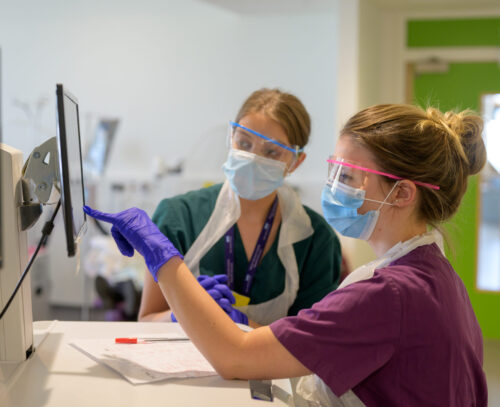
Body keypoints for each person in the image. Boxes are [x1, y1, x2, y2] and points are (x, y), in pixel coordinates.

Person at [84, 103, 488, 406]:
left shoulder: (391, 293)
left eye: (347, 177)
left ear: (402, 193)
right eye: (334, 171)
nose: (333, 188)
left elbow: (234, 359)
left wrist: (162, 257)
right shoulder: (430, 273)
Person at [138, 88, 342, 327]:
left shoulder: (316, 240)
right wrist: (178, 315)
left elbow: (311, 342)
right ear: (231, 137)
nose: (253, 157)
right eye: (244, 143)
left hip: (268, 366)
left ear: (296, 162)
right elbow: (147, 320)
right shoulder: (178, 217)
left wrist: (242, 325)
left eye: (272, 151)